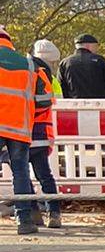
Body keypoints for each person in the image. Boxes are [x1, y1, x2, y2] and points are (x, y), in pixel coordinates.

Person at [0, 29, 38, 234]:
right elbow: (40, 99)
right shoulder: (29, 64)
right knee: (21, 172)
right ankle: (24, 220)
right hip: (19, 127)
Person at [27, 40, 61, 229]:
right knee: (44, 175)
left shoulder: (26, 71)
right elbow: (45, 102)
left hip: (22, 130)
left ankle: (33, 212)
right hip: (40, 131)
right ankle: (54, 213)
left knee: (22, 175)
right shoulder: (44, 75)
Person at [59, 34, 105, 99]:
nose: (96, 50)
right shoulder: (100, 61)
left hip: (74, 106)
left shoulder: (65, 63)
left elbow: (61, 86)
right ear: (88, 46)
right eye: (95, 47)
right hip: (100, 105)